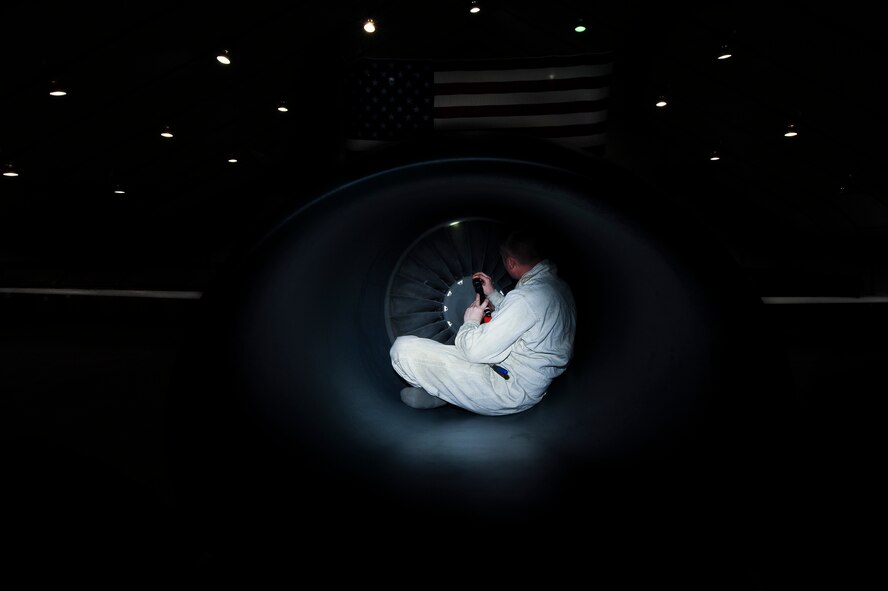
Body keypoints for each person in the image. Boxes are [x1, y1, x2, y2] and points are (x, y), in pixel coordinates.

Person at [390, 228, 576, 416]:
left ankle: (443, 393)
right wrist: (493, 294)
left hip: (507, 388)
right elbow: (529, 319)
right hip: (526, 380)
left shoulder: (525, 299)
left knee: (402, 350)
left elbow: (475, 352)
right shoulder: (558, 288)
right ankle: (449, 390)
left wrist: (470, 321)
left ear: (510, 262)